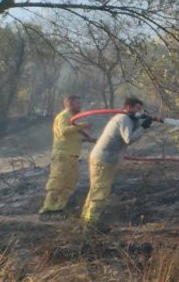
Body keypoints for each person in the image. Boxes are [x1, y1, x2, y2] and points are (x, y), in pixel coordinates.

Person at [82, 96, 161, 229]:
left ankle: (86, 219)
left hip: (104, 159)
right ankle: (91, 224)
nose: (140, 111)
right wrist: (143, 127)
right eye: (138, 108)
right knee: (100, 192)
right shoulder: (123, 118)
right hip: (104, 159)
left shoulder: (127, 119)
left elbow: (133, 128)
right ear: (129, 108)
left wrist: (144, 121)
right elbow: (128, 138)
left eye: (142, 109)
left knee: (96, 190)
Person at [38, 95, 94, 215]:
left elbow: (73, 136)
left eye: (79, 103)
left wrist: (87, 139)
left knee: (69, 183)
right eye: (77, 103)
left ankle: (59, 207)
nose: (79, 106)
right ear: (69, 104)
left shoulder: (73, 119)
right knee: (58, 181)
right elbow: (64, 131)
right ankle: (48, 207)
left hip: (73, 156)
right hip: (63, 155)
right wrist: (81, 126)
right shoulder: (64, 117)